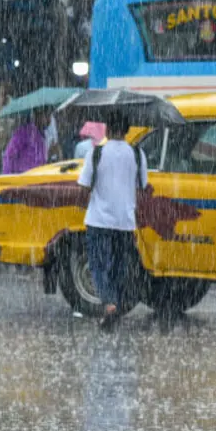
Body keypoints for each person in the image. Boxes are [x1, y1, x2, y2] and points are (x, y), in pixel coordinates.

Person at [78, 114, 149, 331]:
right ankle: (115, 303)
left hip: (99, 220)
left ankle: (109, 303)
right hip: (125, 222)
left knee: (99, 265)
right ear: (127, 130)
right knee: (119, 267)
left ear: (108, 129)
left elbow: (84, 186)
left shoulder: (96, 152)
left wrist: (83, 204)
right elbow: (142, 187)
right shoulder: (137, 154)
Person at [2, 108, 53, 174]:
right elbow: (9, 155)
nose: (49, 120)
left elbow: (41, 163)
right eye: (47, 116)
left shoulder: (42, 136)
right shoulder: (24, 132)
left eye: (50, 116)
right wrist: (7, 177)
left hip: (37, 180)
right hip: (22, 179)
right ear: (38, 116)